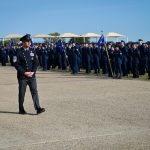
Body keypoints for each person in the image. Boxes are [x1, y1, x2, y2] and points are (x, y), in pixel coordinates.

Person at [14, 34, 45, 115]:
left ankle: (38, 108)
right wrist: (24, 72)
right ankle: (21, 109)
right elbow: (16, 64)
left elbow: (36, 62)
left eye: (29, 41)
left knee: (34, 91)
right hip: (22, 76)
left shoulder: (32, 51)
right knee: (22, 93)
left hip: (32, 75)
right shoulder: (18, 52)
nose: (29, 43)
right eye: (27, 41)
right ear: (23, 42)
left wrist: (33, 72)